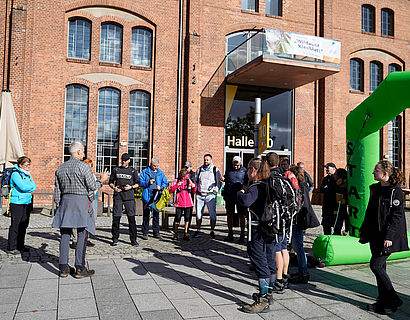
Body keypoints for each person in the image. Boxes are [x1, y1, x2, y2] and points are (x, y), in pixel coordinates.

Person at [52, 142, 109, 278]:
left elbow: (57, 192)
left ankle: (63, 268)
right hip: (81, 202)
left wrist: (60, 205)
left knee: (65, 236)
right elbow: (91, 186)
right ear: (77, 152)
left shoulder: (60, 168)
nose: (83, 153)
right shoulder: (84, 167)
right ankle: (79, 267)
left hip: (65, 203)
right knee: (82, 235)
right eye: (82, 151)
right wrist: (102, 180)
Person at [359, 160, 408, 315]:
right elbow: (370, 212)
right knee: (382, 268)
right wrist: (363, 229)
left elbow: (397, 216)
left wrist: (389, 236)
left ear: (385, 174)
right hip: (375, 235)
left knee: (376, 266)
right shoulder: (376, 189)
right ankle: (383, 302)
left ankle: (393, 299)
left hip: (387, 237)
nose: (373, 172)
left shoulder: (396, 192)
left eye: (376, 170)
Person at [237, 157, 272, 313]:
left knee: (259, 261)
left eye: (248, 170)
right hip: (267, 229)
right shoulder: (266, 185)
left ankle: (263, 300)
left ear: (252, 170)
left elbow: (245, 202)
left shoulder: (256, 187)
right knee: (267, 259)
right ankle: (267, 293)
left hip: (256, 231)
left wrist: (240, 192)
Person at [288, 164, 319, 284]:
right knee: (297, 246)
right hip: (300, 219)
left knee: (298, 247)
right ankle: (303, 270)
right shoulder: (302, 186)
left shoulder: (300, 187)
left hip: (300, 220)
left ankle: (303, 272)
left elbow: (303, 205)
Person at [109, 153, 140, 247]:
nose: (123, 161)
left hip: (129, 197)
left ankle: (133, 239)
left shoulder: (133, 171)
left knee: (131, 218)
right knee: (116, 218)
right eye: (122, 159)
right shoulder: (116, 170)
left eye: (125, 160)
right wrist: (114, 188)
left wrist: (131, 187)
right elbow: (110, 182)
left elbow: (138, 183)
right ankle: (115, 239)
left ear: (129, 161)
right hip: (118, 196)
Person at [7, 156, 36, 254]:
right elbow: (23, 187)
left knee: (24, 224)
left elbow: (34, 186)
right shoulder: (15, 174)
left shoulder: (27, 174)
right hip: (17, 203)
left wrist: (30, 187)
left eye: (29, 165)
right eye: (26, 165)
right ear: (20, 165)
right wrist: (30, 187)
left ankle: (20, 245)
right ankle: (11, 247)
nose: (28, 167)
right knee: (15, 225)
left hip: (27, 202)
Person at [193, 154, 222, 239]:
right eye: (205, 160)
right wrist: (197, 190)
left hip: (210, 195)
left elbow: (219, 182)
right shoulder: (199, 170)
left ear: (211, 160)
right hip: (200, 195)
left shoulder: (215, 170)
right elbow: (196, 181)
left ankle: (212, 231)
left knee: (212, 214)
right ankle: (198, 230)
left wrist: (215, 192)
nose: (206, 161)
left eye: (207, 160)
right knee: (198, 214)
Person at [221, 156, 248, 243]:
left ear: (240, 164)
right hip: (230, 195)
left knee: (241, 215)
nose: (235, 167)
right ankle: (230, 233)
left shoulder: (244, 171)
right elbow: (226, 179)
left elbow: (247, 182)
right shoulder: (229, 170)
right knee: (229, 214)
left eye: (237, 165)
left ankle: (242, 234)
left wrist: (245, 189)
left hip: (240, 195)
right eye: (234, 165)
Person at [139, 158, 167, 239]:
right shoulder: (145, 172)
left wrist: (161, 187)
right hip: (147, 196)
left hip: (157, 196)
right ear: (151, 164)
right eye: (154, 166)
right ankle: (145, 232)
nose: (156, 167)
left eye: (157, 166)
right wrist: (147, 183)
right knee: (146, 214)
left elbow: (164, 182)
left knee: (156, 214)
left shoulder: (160, 173)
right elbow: (140, 182)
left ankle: (156, 232)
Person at [169, 167, 197, 240]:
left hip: (188, 202)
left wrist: (194, 187)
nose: (184, 177)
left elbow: (194, 191)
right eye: (182, 176)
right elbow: (171, 190)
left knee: (187, 218)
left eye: (185, 176)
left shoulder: (188, 180)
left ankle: (186, 232)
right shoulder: (176, 180)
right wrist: (177, 185)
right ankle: (175, 233)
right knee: (177, 218)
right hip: (179, 202)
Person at [320, 162, 337, 235]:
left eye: (328, 168)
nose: (326, 169)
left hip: (334, 206)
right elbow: (321, 189)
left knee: (336, 226)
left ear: (333, 169)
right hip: (326, 206)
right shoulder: (326, 178)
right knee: (326, 226)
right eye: (326, 168)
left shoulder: (337, 178)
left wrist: (327, 189)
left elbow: (335, 190)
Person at [333, 168, 349, 235]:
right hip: (337, 207)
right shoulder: (334, 184)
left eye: (336, 174)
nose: (334, 175)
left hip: (346, 208)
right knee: (337, 226)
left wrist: (346, 200)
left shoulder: (347, 185)